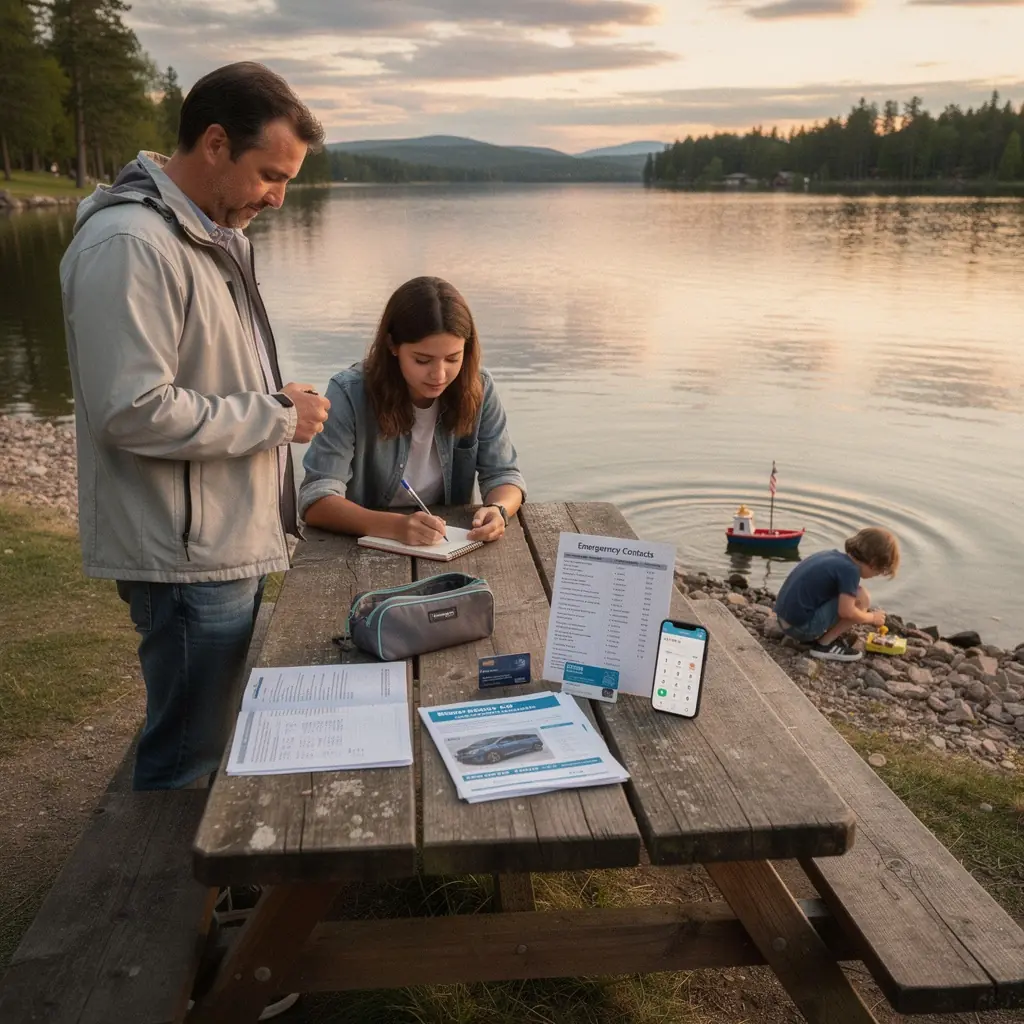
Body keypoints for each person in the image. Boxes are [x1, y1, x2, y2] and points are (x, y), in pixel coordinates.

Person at [59, 62, 332, 792]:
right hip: (183, 554)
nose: (278, 197)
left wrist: (269, 396)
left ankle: (202, 896)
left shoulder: (204, 232)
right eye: (271, 174)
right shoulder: (132, 245)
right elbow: (130, 410)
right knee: (187, 759)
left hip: (218, 540)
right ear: (216, 143)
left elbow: (194, 376)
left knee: (208, 736)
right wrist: (275, 416)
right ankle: (161, 904)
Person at [299, 276, 526, 542]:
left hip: (446, 542)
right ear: (392, 346)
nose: (439, 375)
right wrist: (395, 527)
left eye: (453, 358)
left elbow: (504, 474)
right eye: (422, 360)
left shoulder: (479, 387)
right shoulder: (349, 393)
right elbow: (316, 498)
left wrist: (498, 509)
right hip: (362, 549)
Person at [773, 527, 900, 662]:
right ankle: (824, 645)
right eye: (878, 573)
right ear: (873, 563)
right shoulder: (851, 571)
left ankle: (820, 636)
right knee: (862, 597)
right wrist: (872, 617)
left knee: (852, 595)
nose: (875, 576)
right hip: (799, 628)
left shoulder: (831, 555)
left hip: (783, 619)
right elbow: (846, 612)